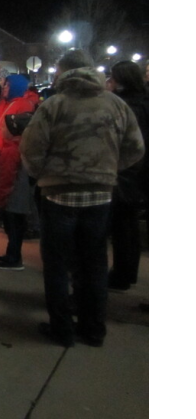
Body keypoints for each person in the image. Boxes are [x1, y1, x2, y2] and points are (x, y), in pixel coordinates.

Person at [21, 50, 144, 348]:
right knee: (95, 264)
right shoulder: (116, 104)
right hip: (101, 197)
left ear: (64, 73)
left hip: (58, 197)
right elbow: (135, 148)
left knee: (57, 266)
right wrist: (106, 170)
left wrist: (45, 176)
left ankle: (62, 329)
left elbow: (32, 149)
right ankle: (94, 329)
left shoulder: (55, 106)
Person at [105, 60, 149, 291]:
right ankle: (127, 272)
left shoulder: (124, 106)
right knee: (129, 226)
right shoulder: (142, 102)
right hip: (138, 173)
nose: (108, 82)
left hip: (126, 173)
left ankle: (121, 275)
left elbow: (129, 143)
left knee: (121, 226)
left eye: (112, 78)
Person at [0, 74, 37, 270]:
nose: (4, 87)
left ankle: (14, 255)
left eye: (8, 84)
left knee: (13, 212)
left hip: (14, 161)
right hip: (3, 157)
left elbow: (15, 132)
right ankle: (12, 253)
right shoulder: (3, 104)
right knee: (8, 212)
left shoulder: (23, 105)